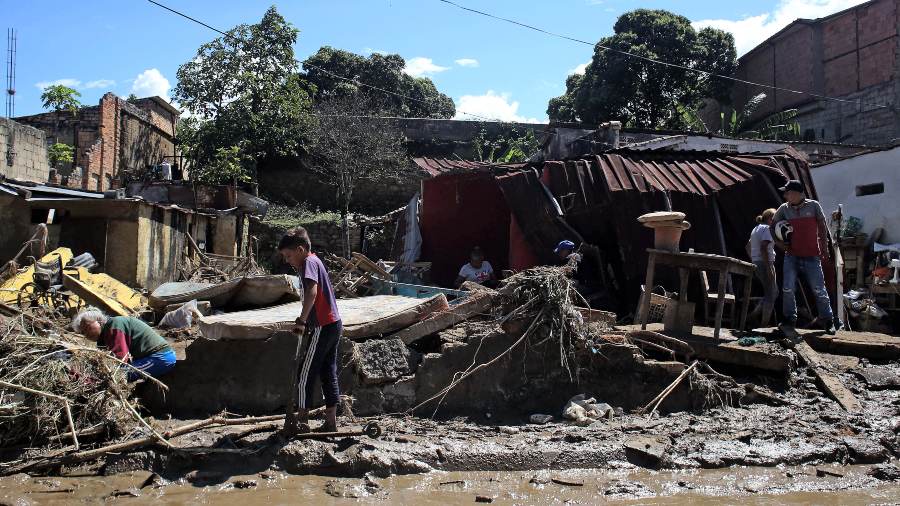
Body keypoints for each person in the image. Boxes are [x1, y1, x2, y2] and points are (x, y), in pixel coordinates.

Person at [278, 226, 342, 433]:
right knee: (327, 370)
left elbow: (312, 293)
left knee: (305, 371)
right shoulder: (314, 261)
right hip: (333, 323)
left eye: (288, 256)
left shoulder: (308, 263)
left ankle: (302, 420)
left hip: (323, 325)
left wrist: (301, 321)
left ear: (300, 249)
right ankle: (331, 421)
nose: (288, 260)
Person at [770, 180, 840, 338]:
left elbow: (822, 228)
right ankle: (789, 319)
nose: (785, 195)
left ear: (797, 193)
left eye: (788, 192)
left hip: (812, 256)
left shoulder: (814, 206)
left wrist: (824, 249)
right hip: (791, 256)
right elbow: (772, 226)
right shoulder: (784, 208)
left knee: (819, 289)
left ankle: (827, 320)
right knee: (787, 288)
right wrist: (780, 244)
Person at [72, 308, 175, 381]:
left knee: (120, 375)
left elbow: (119, 360)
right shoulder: (102, 340)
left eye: (88, 327)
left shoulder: (114, 326)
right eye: (83, 332)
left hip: (160, 357)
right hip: (148, 359)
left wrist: (94, 377)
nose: (87, 334)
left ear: (99, 321)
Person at [746, 208, 778, 327]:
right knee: (771, 294)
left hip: (758, 263)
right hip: (766, 263)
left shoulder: (756, 229)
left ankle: (752, 316)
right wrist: (768, 266)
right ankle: (763, 325)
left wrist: (754, 259)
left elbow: (748, 247)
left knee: (773, 292)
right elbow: (764, 247)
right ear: (770, 219)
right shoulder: (768, 229)